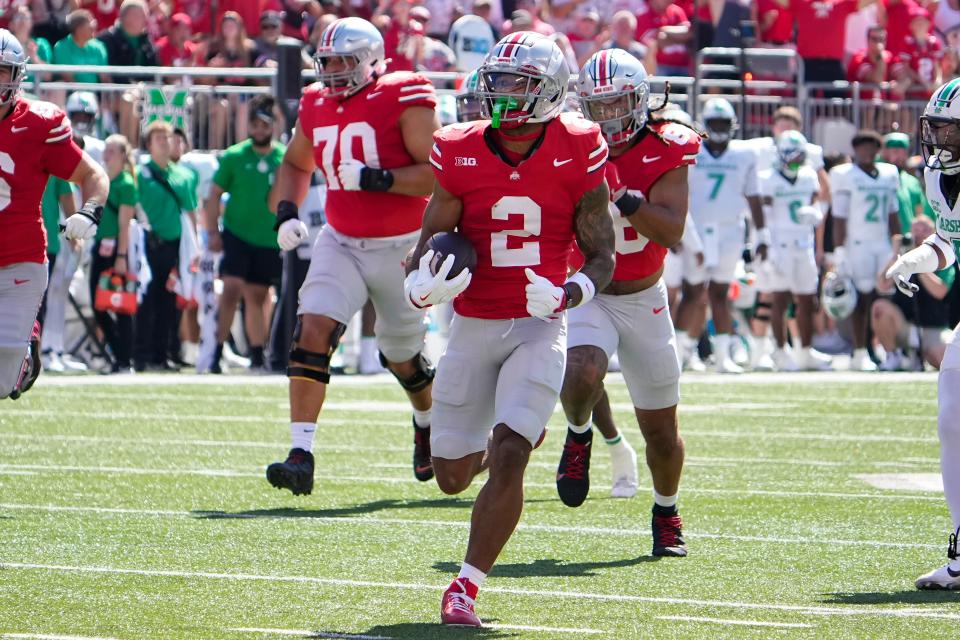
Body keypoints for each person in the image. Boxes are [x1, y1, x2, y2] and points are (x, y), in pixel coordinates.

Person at [407, 32, 614, 627]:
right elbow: (427, 248)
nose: (501, 93)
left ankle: (465, 588)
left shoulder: (579, 144)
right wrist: (418, 287)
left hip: (538, 323)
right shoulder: (458, 147)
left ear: (549, 90)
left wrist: (571, 290)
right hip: (472, 324)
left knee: (510, 453)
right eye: (496, 80)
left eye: (518, 83)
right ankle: (509, 432)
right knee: (449, 476)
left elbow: (603, 254)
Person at [267, 17, 440, 493]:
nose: (333, 71)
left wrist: (378, 178)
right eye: (326, 62)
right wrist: (285, 212)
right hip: (340, 238)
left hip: (403, 245)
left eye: (344, 61)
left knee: (402, 357)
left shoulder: (404, 93)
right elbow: (296, 161)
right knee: (311, 330)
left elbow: (437, 173)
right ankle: (301, 452)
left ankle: (425, 423)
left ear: (370, 59)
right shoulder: (316, 102)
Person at [553, 48, 698, 557]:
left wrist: (626, 198)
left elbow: (672, 230)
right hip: (592, 288)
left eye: (618, 104)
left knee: (661, 431)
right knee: (581, 369)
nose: (608, 116)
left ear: (640, 101)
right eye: (598, 106)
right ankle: (578, 435)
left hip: (644, 297)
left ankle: (666, 511)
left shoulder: (668, 145)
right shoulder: (569, 144)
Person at [0, 29, 109, 400]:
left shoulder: (39, 123)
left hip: (20, 259)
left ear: (17, 76)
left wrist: (90, 210)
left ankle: (28, 349)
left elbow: (93, 174)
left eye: (0, 71)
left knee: (2, 383)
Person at [885, 78, 960, 589]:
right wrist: (917, 257)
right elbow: (951, 238)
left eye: (949, 131)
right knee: (953, 417)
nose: (937, 141)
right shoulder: (938, 178)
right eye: (935, 129)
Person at [677, 97, 764, 374]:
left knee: (721, 294)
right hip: (697, 229)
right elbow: (678, 193)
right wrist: (679, 231)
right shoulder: (692, 149)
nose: (718, 128)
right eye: (714, 123)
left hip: (729, 230)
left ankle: (722, 355)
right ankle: (679, 353)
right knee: (692, 293)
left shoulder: (745, 154)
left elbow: (754, 196)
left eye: (723, 123)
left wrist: (763, 234)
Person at [206, 95, 285, 373]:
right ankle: (215, 351)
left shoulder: (283, 157)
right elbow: (213, 195)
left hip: (268, 238)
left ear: (273, 126)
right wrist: (212, 232)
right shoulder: (235, 156)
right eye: (255, 124)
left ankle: (256, 354)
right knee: (230, 290)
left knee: (258, 296)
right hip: (236, 234)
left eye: (264, 124)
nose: (259, 130)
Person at [830, 129, 901, 371]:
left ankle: (883, 346)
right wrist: (839, 250)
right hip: (857, 244)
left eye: (871, 147)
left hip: (881, 243)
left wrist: (898, 243)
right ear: (855, 150)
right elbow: (839, 217)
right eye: (862, 147)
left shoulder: (888, 174)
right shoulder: (846, 175)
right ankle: (860, 351)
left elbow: (893, 213)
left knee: (884, 296)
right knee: (859, 298)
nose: (867, 151)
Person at [756, 131, 826, 371]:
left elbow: (816, 202)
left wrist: (816, 213)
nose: (795, 162)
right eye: (791, 156)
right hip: (780, 245)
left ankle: (805, 352)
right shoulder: (768, 178)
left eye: (799, 157)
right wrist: (763, 244)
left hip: (803, 244)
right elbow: (762, 216)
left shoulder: (808, 176)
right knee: (780, 300)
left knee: (808, 300)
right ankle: (780, 351)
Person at [134, 120, 199, 372]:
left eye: (167, 137)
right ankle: (141, 353)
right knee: (145, 300)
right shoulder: (139, 174)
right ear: (149, 144)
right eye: (158, 138)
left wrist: (195, 247)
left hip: (174, 247)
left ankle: (162, 354)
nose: (164, 142)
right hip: (147, 245)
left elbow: (190, 211)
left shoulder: (183, 175)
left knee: (169, 301)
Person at [874, 214, 955, 370]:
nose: (919, 234)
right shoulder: (903, 255)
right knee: (880, 308)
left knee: (943, 359)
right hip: (905, 326)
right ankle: (894, 356)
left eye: (924, 230)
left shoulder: (943, 256)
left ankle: (918, 357)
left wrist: (918, 263)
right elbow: (882, 286)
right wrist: (896, 255)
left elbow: (940, 291)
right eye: (915, 230)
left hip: (933, 328)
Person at [90, 134, 138, 374]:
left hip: (117, 249)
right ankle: (119, 353)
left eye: (111, 151)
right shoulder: (105, 179)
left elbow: (124, 224)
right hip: (101, 245)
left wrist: (121, 256)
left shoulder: (126, 183)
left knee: (120, 304)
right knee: (97, 302)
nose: (106, 154)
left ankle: (123, 358)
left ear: (122, 155)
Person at [882, 131, 934, 233]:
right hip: (882, 241)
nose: (899, 157)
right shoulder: (877, 179)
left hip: (908, 242)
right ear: (885, 153)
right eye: (895, 152)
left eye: (903, 152)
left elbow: (919, 213)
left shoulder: (912, 181)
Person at [51, 10, 108, 84]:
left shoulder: (98, 47)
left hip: (95, 94)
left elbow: (105, 78)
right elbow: (68, 79)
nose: (94, 27)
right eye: (90, 26)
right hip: (71, 94)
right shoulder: (61, 48)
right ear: (78, 29)